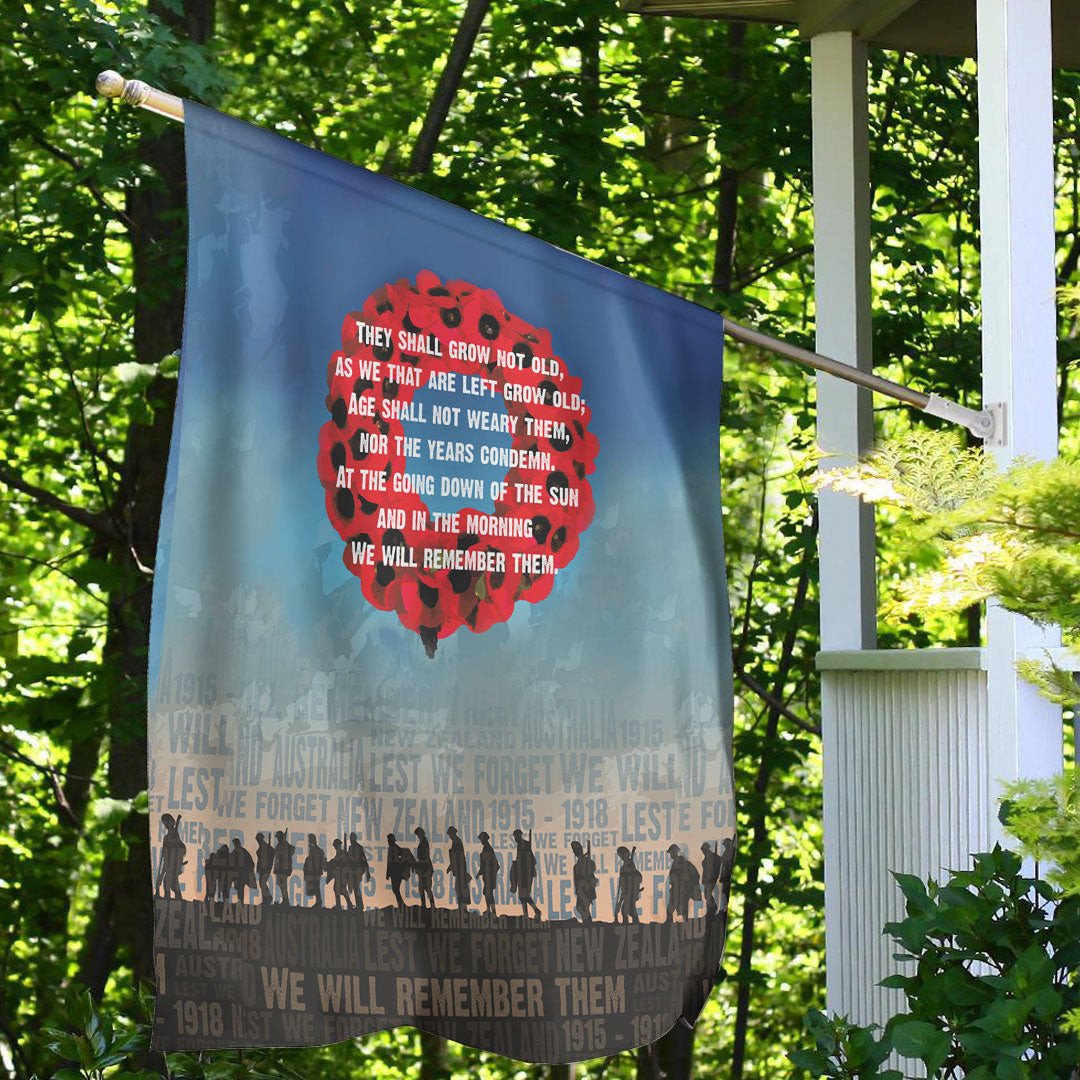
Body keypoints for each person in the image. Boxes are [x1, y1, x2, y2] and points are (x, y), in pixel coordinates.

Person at [510, 828, 541, 919]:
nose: (515, 838)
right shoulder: (521, 845)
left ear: (518, 835)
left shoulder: (524, 845)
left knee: (524, 896)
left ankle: (535, 911)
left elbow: (529, 859)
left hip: (524, 874)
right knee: (522, 896)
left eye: (516, 836)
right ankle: (527, 914)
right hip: (522, 873)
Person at [665, 843, 701, 923]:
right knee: (670, 909)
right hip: (675, 889)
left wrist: (689, 887)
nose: (670, 854)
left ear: (675, 852)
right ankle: (668, 924)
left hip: (683, 890)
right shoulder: (675, 864)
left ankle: (685, 925)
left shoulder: (685, 864)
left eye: (671, 852)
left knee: (683, 909)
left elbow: (695, 875)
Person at [156, 813, 186, 900]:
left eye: (167, 822)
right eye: (164, 823)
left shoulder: (174, 836)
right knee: (168, 884)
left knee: (171, 884)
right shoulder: (167, 837)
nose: (165, 824)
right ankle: (168, 898)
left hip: (173, 864)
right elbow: (164, 852)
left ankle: (174, 899)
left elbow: (180, 849)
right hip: (167, 863)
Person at [570, 840, 597, 924]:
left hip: (586, 888)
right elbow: (576, 879)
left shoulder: (585, 862)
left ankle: (588, 924)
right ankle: (588, 923)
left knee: (582, 907)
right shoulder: (577, 865)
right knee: (581, 907)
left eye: (576, 850)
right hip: (581, 889)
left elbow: (592, 870)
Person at [446, 825, 471, 912]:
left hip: (460, 869)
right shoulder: (456, 841)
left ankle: (463, 908)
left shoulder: (457, 841)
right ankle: (462, 907)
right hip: (459, 869)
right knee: (459, 888)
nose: (449, 836)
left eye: (450, 834)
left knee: (461, 888)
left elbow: (458, 857)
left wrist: (453, 867)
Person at [385, 833, 414, 908]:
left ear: (393, 840)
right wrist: (388, 874)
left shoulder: (395, 848)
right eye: (388, 840)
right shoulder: (391, 848)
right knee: (395, 889)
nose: (388, 841)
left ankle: (401, 904)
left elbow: (406, 852)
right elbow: (389, 862)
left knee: (395, 889)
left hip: (397, 873)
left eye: (390, 839)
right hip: (394, 872)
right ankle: (400, 904)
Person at [615, 846, 642, 925]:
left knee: (627, 910)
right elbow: (622, 881)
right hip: (625, 891)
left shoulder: (630, 866)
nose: (621, 857)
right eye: (620, 856)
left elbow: (636, 878)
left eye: (621, 855)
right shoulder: (623, 868)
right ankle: (628, 923)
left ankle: (631, 924)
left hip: (631, 892)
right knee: (629, 910)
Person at [477, 831, 499, 917]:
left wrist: (482, 872)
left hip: (489, 876)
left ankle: (492, 911)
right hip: (488, 876)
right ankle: (489, 910)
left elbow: (488, 864)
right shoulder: (486, 848)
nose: (481, 841)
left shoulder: (488, 849)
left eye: (482, 839)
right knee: (487, 893)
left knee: (488, 893)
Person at [327, 838, 353, 909]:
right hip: (339, 874)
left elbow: (340, 862)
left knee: (340, 889)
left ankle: (347, 904)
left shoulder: (342, 853)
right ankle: (343, 904)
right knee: (338, 889)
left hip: (343, 875)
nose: (335, 847)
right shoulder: (339, 853)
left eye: (336, 845)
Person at [413, 827, 435, 910]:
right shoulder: (423, 842)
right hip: (423, 867)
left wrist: (426, 868)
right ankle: (424, 905)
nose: (417, 836)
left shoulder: (424, 843)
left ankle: (431, 906)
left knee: (426, 888)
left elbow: (426, 857)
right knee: (422, 887)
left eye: (418, 834)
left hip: (425, 867)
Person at [228, 838, 256, 903]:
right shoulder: (235, 852)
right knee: (240, 888)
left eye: (236, 843)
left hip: (243, 873)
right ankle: (240, 901)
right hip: (238, 873)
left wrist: (248, 871)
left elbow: (251, 863)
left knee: (240, 887)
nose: (235, 845)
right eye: (235, 844)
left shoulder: (243, 851)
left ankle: (240, 901)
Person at [303, 834, 327, 908]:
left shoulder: (318, 851)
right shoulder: (312, 850)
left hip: (316, 872)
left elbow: (322, 861)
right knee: (314, 887)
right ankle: (318, 902)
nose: (309, 841)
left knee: (316, 887)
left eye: (310, 839)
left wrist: (323, 868)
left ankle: (319, 902)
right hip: (311, 872)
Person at [273, 830, 296, 906]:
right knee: (280, 884)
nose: (278, 839)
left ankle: (286, 901)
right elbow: (275, 852)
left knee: (283, 885)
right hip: (279, 868)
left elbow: (292, 850)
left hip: (284, 868)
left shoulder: (286, 845)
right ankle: (285, 900)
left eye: (278, 837)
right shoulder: (279, 845)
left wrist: (284, 845)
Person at [348, 833, 370, 911]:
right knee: (355, 887)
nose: (350, 840)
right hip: (353, 871)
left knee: (356, 887)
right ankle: (359, 905)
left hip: (358, 870)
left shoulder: (359, 848)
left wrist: (367, 872)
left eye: (351, 838)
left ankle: (360, 905)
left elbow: (364, 860)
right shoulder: (350, 848)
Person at [701, 840, 723, 914]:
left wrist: (715, 874)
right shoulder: (706, 858)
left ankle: (713, 908)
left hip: (711, 878)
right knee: (706, 894)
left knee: (708, 894)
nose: (703, 851)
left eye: (704, 849)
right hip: (706, 879)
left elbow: (720, 860)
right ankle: (711, 909)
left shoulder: (714, 857)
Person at [255, 832, 274, 904]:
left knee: (262, 882)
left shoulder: (267, 847)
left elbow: (272, 852)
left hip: (266, 868)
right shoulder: (262, 847)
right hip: (261, 868)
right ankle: (265, 899)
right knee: (261, 883)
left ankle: (268, 898)